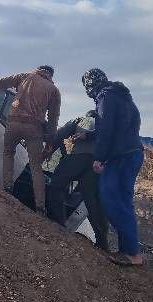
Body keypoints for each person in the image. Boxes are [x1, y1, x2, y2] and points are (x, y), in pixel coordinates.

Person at [81, 68, 144, 266]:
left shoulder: (105, 97)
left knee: (111, 200)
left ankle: (132, 253)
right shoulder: (124, 98)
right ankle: (128, 250)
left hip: (120, 157)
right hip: (133, 153)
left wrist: (99, 157)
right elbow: (121, 127)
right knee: (123, 202)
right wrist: (90, 135)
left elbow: (106, 128)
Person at [0, 65, 61, 215]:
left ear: (38, 70)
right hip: (34, 129)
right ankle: (40, 207)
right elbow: (53, 120)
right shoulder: (54, 91)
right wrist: (50, 142)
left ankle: (7, 188)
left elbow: (0, 83)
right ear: (50, 75)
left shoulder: (25, 76)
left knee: (8, 153)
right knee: (36, 167)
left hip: (13, 123)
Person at [48, 110, 110, 250]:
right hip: (96, 166)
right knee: (91, 200)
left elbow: (59, 135)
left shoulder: (80, 120)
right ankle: (102, 242)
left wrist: (62, 154)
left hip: (79, 158)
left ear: (88, 115)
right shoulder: (105, 127)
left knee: (57, 184)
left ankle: (57, 221)